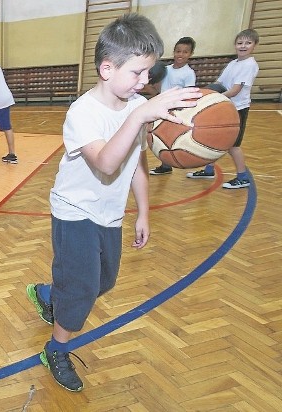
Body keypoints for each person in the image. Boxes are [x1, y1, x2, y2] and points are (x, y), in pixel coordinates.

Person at [25, 14, 201, 392]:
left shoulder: (136, 105)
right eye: (138, 73)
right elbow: (106, 162)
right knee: (84, 287)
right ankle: (55, 349)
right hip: (74, 211)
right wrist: (140, 115)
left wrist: (143, 212)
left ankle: (48, 293)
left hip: (109, 213)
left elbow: (137, 164)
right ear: (107, 68)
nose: (144, 82)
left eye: (148, 74)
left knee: (103, 281)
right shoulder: (83, 112)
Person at [186, 29, 259, 189]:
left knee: (233, 145)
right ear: (235, 45)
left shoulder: (249, 65)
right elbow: (219, 83)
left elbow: (235, 90)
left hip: (238, 109)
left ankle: (243, 177)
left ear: (254, 45)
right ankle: (209, 170)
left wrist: (213, 99)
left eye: (248, 43)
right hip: (226, 106)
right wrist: (206, 92)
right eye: (240, 43)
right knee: (217, 140)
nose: (243, 46)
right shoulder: (234, 63)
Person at [148, 36, 197, 175]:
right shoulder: (165, 70)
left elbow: (189, 93)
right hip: (162, 107)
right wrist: (147, 84)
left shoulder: (188, 73)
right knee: (160, 136)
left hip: (176, 110)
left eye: (185, 52)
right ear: (174, 52)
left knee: (169, 137)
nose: (180, 54)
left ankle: (169, 163)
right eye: (178, 51)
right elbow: (157, 90)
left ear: (190, 54)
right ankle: (165, 165)